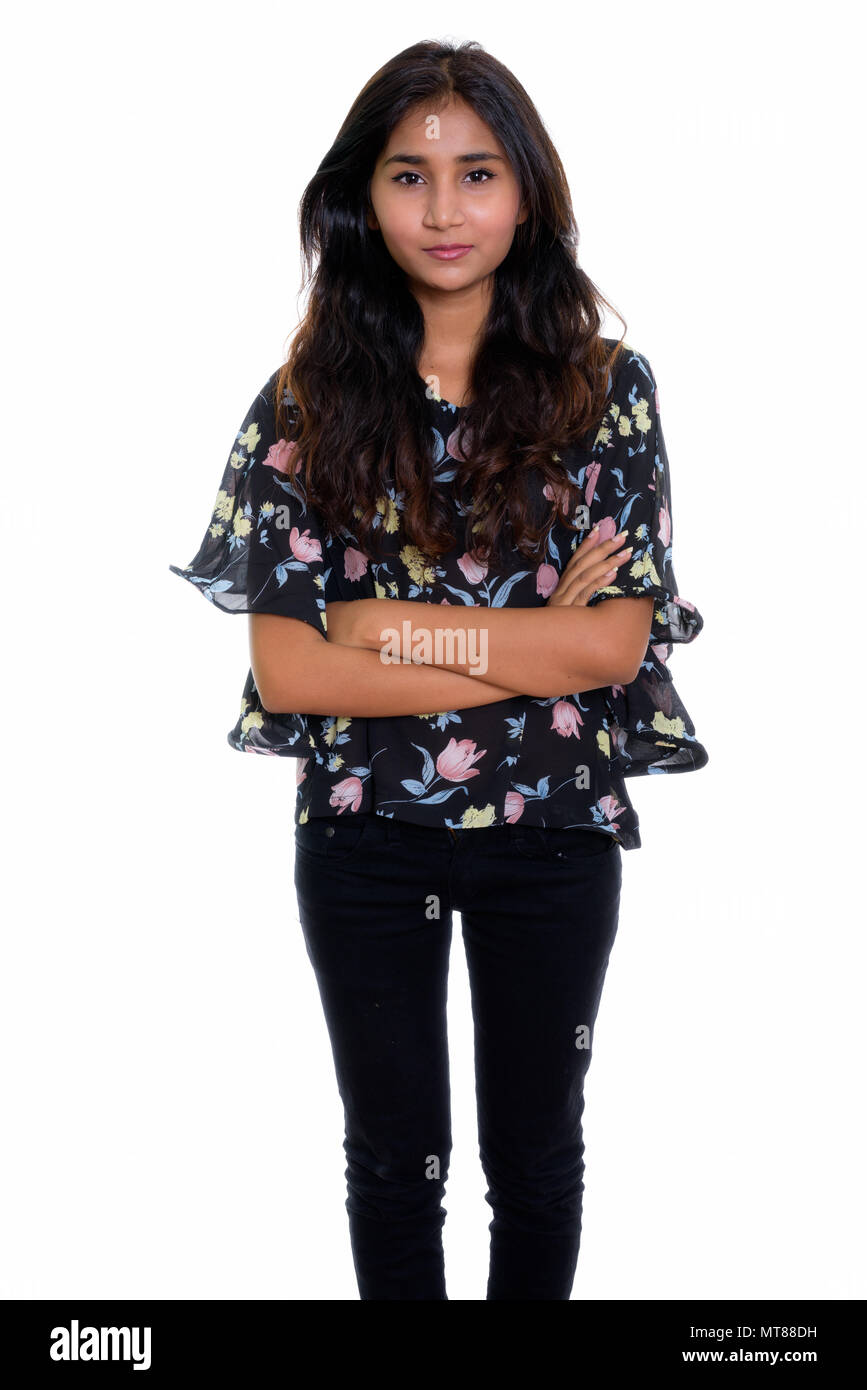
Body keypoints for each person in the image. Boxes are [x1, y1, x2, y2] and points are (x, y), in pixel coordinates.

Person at [169, 39, 708, 1300]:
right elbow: (294, 674)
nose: (446, 208)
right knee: (392, 1165)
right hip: (367, 841)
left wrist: (383, 626)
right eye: (411, 176)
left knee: (537, 1160)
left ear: (525, 193)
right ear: (367, 195)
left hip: (552, 835)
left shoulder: (605, 393)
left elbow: (613, 643)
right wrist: (531, 654)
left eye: (477, 174)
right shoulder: (305, 403)